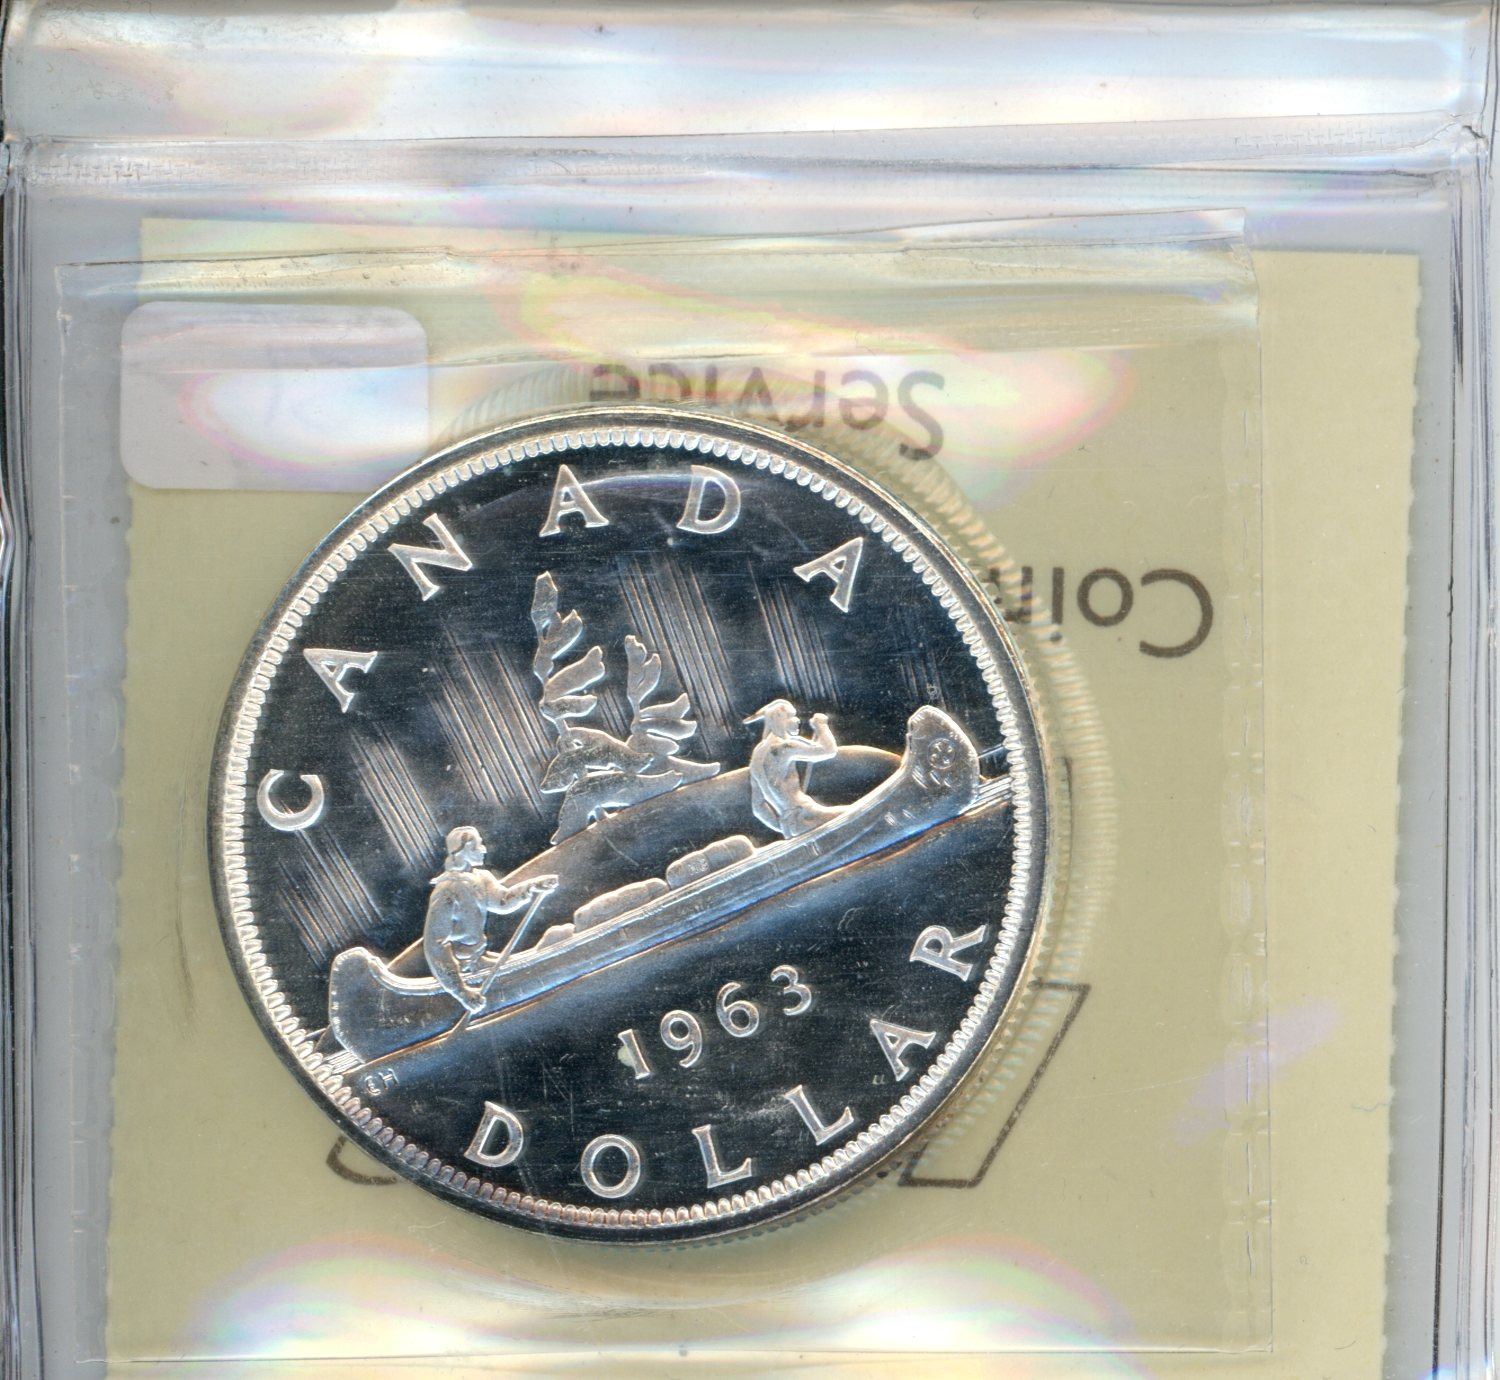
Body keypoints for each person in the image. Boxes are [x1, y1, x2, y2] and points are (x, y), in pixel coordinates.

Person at [422, 826, 557, 1013]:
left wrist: (532, 886)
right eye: (477, 845)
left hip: (479, 959)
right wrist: (461, 992)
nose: (484, 849)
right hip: (463, 968)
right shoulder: (446, 890)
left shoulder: (481, 877)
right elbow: (435, 944)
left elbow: (503, 901)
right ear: (462, 851)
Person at [744, 699, 843, 839]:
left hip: (789, 825)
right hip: (808, 814)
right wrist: (821, 725)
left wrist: (787, 827)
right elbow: (829, 750)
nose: (797, 720)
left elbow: (758, 808)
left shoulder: (757, 755)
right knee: (856, 813)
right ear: (779, 718)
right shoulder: (784, 746)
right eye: (791, 716)